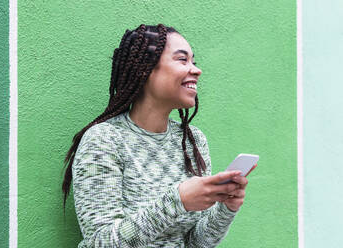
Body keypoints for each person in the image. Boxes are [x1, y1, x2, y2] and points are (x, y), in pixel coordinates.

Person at [62, 24, 249, 248]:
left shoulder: (192, 141)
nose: (196, 70)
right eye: (182, 60)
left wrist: (225, 209)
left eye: (194, 62)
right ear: (146, 69)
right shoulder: (104, 139)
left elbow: (194, 244)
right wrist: (177, 201)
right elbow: (101, 243)